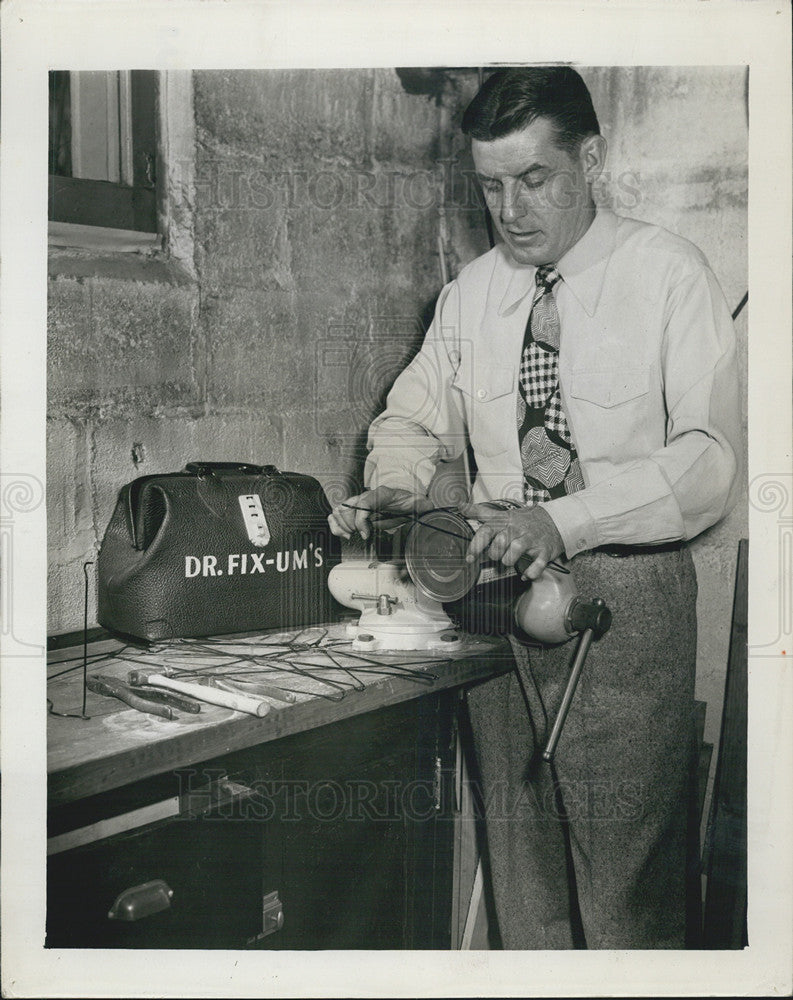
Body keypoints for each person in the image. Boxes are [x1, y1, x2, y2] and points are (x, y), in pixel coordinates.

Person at [328, 67, 741, 949]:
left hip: (623, 600)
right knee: (523, 885)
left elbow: (708, 462)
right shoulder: (472, 293)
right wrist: (399, 484)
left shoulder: (666, 275)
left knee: (625, 893)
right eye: (489, 184)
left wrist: (563, 520)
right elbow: (408, 417)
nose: (509, 208)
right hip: (493, 597)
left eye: (533, 179)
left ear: (589, 159)